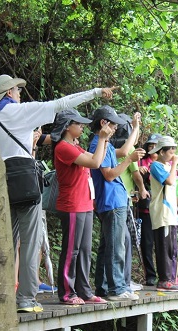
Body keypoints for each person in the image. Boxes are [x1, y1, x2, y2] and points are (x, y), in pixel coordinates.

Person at [0, 74, 117, 312]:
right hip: (23, 181)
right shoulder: (19, 112)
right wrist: (97, 91)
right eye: (17, 91)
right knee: (29, 240)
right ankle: (25, 298)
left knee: (4, 241)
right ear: (8, 94)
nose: (19, 95)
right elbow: (62, 104)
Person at [51, 108, 112, 304]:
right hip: (72, 205)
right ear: (68, 127)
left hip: (85, 203)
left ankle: (84, 291)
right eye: (78, 124)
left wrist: (105, 139)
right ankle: (67, 292)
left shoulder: (75, 146)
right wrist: (102, 138)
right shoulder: (63, 147)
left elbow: (98, 159)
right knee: (72, 250)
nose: (82, 126)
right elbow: (95, 163)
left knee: (85, 250)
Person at [89, 105, 145, 301]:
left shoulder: (106, 144)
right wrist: (129, 160)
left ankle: (103, 287)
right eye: (113, 125)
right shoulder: (98, 144)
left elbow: (125, 150)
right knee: (116, 246)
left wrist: (136, 127)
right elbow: (110, 175)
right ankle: (117, 289)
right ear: (104, 123)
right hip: (112, 202)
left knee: (108, 246)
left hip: (113, 202)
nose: (114, 129)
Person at [110, 113, 147, 292]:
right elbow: (135, 174)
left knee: (116, 241)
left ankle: (120, 282)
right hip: (124, 199)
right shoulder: (128, 150)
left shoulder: (109, 146)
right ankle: (124, 281)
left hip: (112, 198)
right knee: (126, 240)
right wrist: (142, 189)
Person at [148, 136, 178, 292]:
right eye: (170, 151)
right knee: (164, 246)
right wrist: (175, 164)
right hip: (162, 212)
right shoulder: (155, 166)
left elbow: (174, 186)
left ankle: (171, 277)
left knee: (172, 247)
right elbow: (168, 182)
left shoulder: (168, 167)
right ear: (161, 151)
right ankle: (164, 279)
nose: (173, 154)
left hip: (171, 213)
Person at [137, 133, 162, 286]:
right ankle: (150, 275)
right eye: (150, 146)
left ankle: (164, 274)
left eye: (156, 147)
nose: (153, 150)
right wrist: (140, 171)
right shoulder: (142, 162)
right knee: (147, 243)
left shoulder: (166, 164)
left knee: (161, 243)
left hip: (160, 208)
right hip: (145, 208)